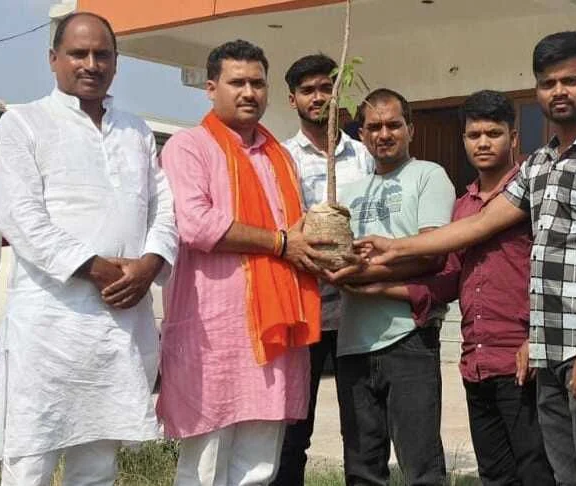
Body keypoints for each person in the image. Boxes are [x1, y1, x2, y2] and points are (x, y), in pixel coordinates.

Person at [358, 32, 576, 486]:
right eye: (548, 83)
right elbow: (479, 224)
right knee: (565, 477)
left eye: (570, 81)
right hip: (551, 350)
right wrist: (393, 247)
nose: (558, 91)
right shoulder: (540, 165)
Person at [0, 12, 177, 485]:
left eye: (102, 54)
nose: (91, 64)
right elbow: (21, 217)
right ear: (53, 59)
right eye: (78, 53)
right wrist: (95, 267)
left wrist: (150, 264)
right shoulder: (24, 123)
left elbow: (164, 209)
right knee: (30, 460)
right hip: (50, 328)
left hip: (119, 327)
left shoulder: (136, 131)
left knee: (97, 464)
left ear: (116, 62)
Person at [348, 90, 555, 486]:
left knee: (537, 472)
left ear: (513, 138)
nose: (482, 143)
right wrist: (376, 289)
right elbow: (446, 282)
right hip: (477, 361)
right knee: (495, 475)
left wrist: (537, 335)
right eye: (474, 135)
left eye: (493, 134)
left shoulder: (535, 194)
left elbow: (552, 270)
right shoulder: (463, 207)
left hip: (523, 359)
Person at [157, 40, 326, 485]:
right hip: (214, 333)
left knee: (260, 466)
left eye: (257, 83)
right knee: (205, 464)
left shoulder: (279, 156)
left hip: (273, 332)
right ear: (211, 88)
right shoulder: (189, 147)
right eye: (237, 83)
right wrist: (281, 243)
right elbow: (197, 224)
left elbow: (295, 230)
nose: (249, 92)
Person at [325, 88, 456, 485]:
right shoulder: (348, 193)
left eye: (393, 125)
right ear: (362, 134)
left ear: (411, 129)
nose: (384, 134)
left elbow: (431, 254)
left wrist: (361, 274)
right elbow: (333, 258)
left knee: (421, 468)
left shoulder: (428, 176)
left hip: (409, 338)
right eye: (374, 127)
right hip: (352, 344)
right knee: (362, 469)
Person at [273, 53, 374, 485]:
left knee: (362, 423)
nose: (318, 97)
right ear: (292, 99)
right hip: (303, 300)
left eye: (326, 88)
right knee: (294, 424)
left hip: (356, 301)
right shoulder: (281, 157)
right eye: (307, 90)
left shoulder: (362, 155)